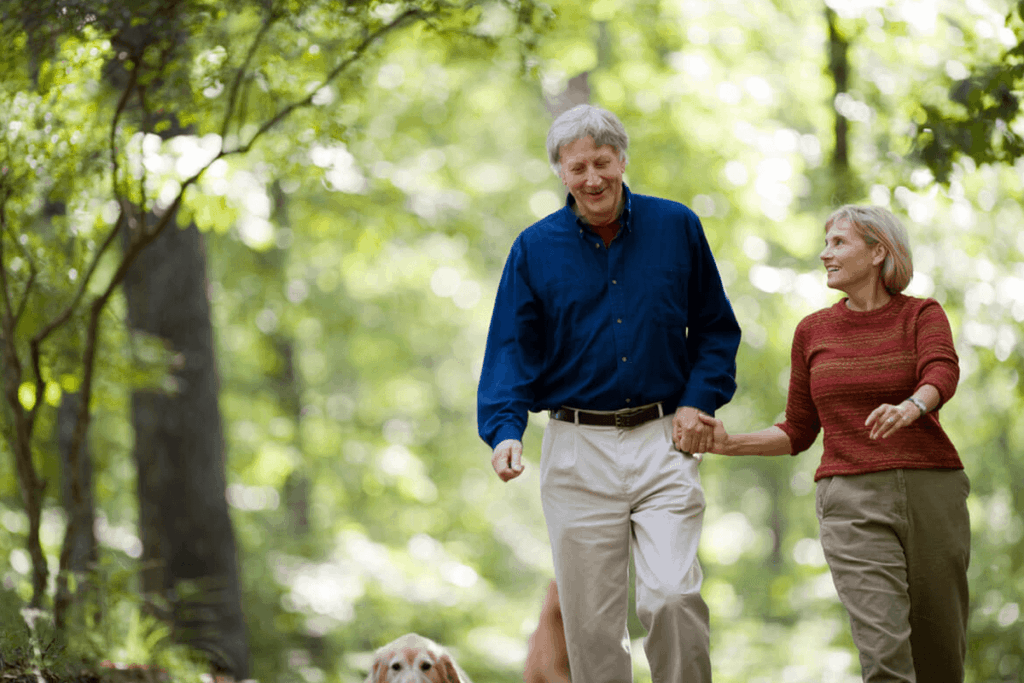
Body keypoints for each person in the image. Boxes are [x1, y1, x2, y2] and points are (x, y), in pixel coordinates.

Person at [477, 103, 741, 683]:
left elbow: (716, 329)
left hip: (664, 438)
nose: (592, 178)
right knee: (592, 629)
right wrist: (504, 430)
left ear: (622, 159)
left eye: (602, 162)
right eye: (577, 168)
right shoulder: (534, 248)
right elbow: (511, 349)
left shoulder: (677, 227)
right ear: (561, 173)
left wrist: (698, 401)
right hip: (576, 448)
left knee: (673, 596)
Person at [698, 205, 970, 682]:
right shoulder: (813, 332)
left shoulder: (921, 314)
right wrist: (728, 443)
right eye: (826, 243)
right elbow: (798, 430)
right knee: (884, 655)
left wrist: (912, 406)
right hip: (852, 501)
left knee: (940, 658)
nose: (825, 253)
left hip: (932, 489)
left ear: (878, 251)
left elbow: (942, 369)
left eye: (839, 242)